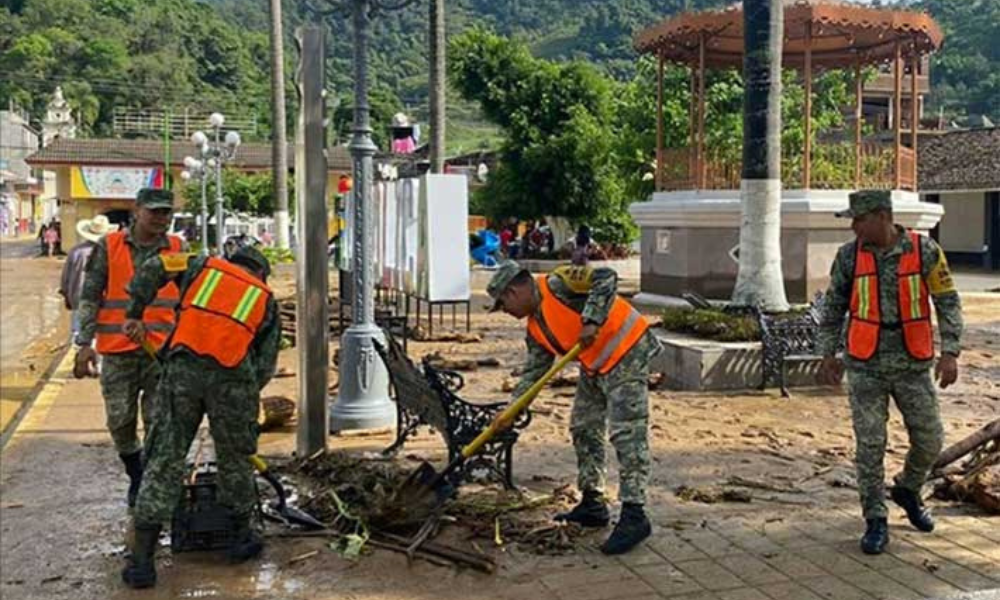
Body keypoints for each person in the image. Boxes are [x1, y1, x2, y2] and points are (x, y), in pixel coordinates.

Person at [121, 246, 281, 589]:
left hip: (183, 369)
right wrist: (241, 393)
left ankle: (142, 564)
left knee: (165, 456)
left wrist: (135, 312)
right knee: (235, 458)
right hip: (233, 379)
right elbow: (265, 366)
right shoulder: (266, 299)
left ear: (232, 261)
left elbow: (155, 266)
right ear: (262, 274)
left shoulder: (201, 266)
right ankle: (240, 539)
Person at [816, 190, 964, 555]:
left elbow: (947, 301)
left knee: (930, 438)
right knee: (870, 445)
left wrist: (951, 353)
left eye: (858, 219)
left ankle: (907, 489)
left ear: (882, 216)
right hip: (865, 363)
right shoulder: (849, 255)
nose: (853, 226)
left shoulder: (924, 250)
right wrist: (827, 353)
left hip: (913, 363)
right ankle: (875, 519)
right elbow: (833, 305)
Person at [487, 260, 658, 555]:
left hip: (628, 351)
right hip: (596, 365)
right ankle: (593, 502)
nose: (507, 313)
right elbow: (534, 373)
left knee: (627, 432)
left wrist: (591, 319)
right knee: (583, 426)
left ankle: (634, 513)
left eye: (503, 305)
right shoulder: (535, 328)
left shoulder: (558, 282)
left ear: (513, 291)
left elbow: (606, 276)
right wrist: (511, 409)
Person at [73, 189, 184, 507]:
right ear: (137, 211)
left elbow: (187, 296)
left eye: (167, 212)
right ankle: (135, 472)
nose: (162, 218)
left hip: (161, 352)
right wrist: (84, 344)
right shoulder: (109, 247)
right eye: (155, 212)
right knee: (120, 421)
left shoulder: (177, 247)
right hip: (118, 350)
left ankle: (148, 485)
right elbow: (91, 296)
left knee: (158, 421)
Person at [60, 215, 114, 340]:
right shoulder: (110, 252)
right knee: (99, 333)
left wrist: (67, 296)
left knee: (78, 332)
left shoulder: (76, 252)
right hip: (102, 299)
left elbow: (65, 278)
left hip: (78, 297)